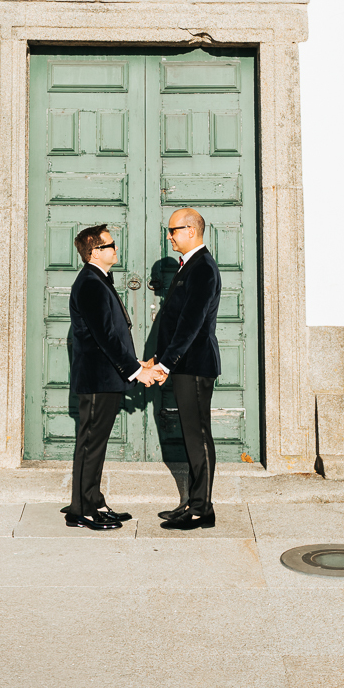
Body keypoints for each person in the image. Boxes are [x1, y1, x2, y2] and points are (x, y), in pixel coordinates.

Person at [65, 223, 160, 530]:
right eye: (110, 245)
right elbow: (105, 337)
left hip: (105, 377)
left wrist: (136, 363)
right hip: (96, 379)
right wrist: (137, 372)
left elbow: (111, 336)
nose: (115, 249)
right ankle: (81, 511)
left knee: (95, 443)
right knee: (91, 443)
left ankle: (94, 501)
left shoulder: (99, 279)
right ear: (94, 252)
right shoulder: (91, 283)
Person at [151, 207, 221, 530]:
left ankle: (202, 510)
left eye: (173, 230)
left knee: (198, 436)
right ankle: (193, 502)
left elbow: (190, 324)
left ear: (191, 230)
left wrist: (166, 362)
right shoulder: (190, 266)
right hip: (185, 366)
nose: (169, 236)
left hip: (194, 366)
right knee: (193, 435)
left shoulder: (203, 268)